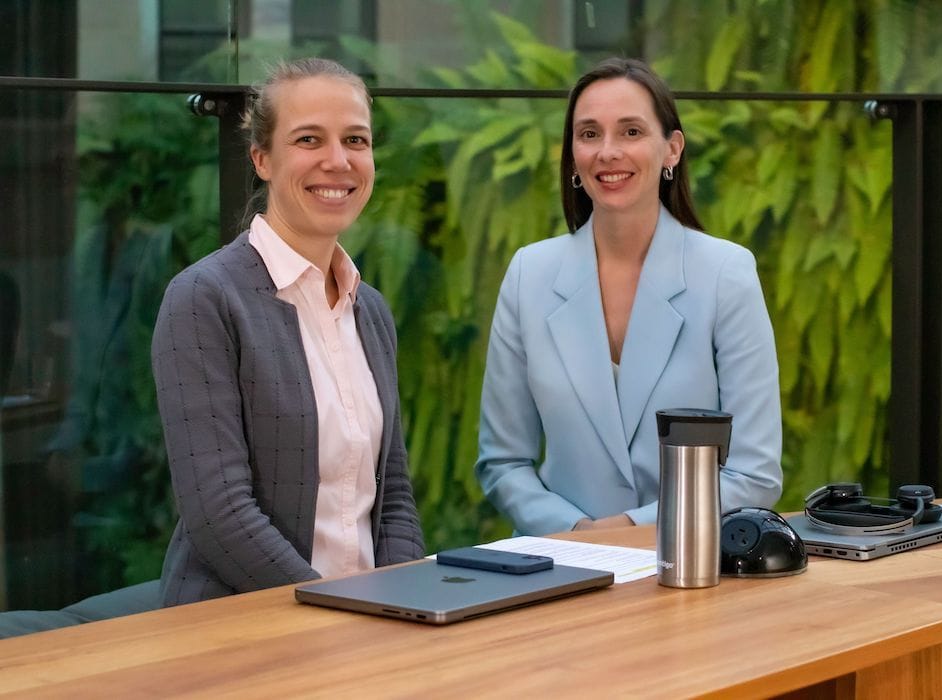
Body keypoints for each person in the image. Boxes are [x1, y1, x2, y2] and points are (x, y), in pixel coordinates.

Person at [151, 58, 424, 606]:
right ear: (262, 159)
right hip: (244, 631)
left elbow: (392, 494)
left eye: (356, 140)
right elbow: (219, 512)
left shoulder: (368, 309)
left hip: (369, 629)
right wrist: (337, 612)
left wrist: (402, 605)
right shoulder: (204, 298)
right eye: (308, 139)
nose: (338, 161)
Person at [475, 58, 783, 536]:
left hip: (689, 567)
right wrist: (577, 534)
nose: (608, 151)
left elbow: (754, 474)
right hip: (559, 566)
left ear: (672, 149)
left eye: (632, 132)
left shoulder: (727, 274)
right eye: (589, 133)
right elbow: (503, 462)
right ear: (572, 153)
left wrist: (626, 530)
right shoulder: (528, 275)